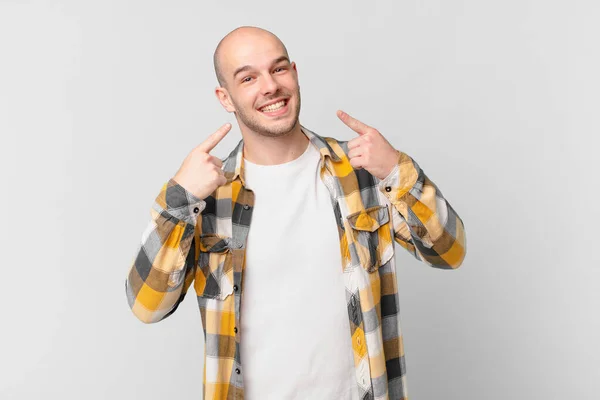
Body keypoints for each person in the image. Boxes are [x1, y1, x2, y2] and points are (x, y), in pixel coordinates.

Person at [125, 26, 467, 400]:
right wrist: (179, 201)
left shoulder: (361, 174)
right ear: (226, 97)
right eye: (248, 77)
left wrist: (397, 172)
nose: (270, 86)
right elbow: (146, 306)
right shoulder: (206, 197)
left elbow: (449, 252)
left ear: (295, 73)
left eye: (279, 69)